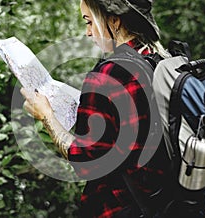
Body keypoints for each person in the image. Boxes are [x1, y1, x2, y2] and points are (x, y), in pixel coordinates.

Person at [21, 0, 172, 217]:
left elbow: (86, 162)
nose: (88, 32)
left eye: (90, 22)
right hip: (161, 202)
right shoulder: (156, 59)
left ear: (114, 20)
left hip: (121, 207)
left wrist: (46, 115)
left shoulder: (108, 75)